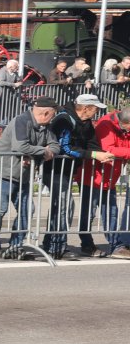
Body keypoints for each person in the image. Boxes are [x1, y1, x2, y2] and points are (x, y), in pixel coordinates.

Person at [0, 97, 60, 259]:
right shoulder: (21, 121)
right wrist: (43, 151)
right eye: (53, 114)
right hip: (4, 172)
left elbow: (55, 146)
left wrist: (37, 153)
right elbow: (20, 146)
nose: (53, 118)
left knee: (27, 209)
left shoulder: (45, 127)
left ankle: (15, 246)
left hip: (23, 176)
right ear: (46, 113)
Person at [48, 92, 113, 260]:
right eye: (95, 109)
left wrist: (102, 154)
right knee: (64, 206)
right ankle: (58, 248)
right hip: (55, 169)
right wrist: (93, 155)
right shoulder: (63, 120)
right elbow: (65, 148)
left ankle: (50, 243)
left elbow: (92, 143)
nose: (97, 112)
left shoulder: (86, 121)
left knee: (60, 206)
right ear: (86, 108)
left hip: (69, 169)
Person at [89, 105, 130, 258]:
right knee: (88, 214)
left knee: (111, 213)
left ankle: (117, 246)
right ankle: (86, 245)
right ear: (125, 123)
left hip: (110, 177)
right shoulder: (106, 124)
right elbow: (108, 149)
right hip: (93, 176)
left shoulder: (123, 127)